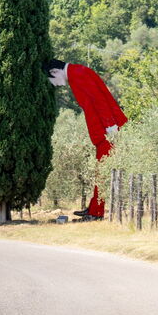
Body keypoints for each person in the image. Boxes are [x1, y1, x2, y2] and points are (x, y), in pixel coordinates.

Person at [44, 59, 128, 220]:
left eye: (51, 80)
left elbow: (99, 100)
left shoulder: (78, 75)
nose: (54, 85)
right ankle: (94, 208)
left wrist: (111, 126)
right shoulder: (78, 71)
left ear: (54, 72)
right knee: (100, 172)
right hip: (105, 130)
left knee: (102, 172)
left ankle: (96, 213)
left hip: (106, 132)